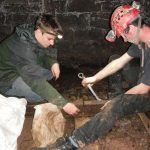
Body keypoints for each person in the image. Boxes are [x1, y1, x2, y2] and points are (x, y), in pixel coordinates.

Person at [35, 1, 150, 149]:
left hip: (147, 93)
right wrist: (95, 78)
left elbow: (143, 89)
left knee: (118, 104)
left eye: (123, 35)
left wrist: (117, 103)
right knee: (115, 58)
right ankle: (115, 104)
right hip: (145, 81)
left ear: (132, 29)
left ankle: (74, 142)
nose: (124, 39)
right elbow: (119, 62)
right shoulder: (142, 42)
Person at [0, 14, 79, 115]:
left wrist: (53, 63)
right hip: (6, 79)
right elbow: (35, 81)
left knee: (51, 73)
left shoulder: (31, 33)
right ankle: (9, 97)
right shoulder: (24, 49)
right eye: (49, 39)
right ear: (38, 31)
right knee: (39, 95)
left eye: (54, 39)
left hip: (20, 67)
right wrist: (63, 104)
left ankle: (40, 86)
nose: (52, 43)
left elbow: (43, 53)